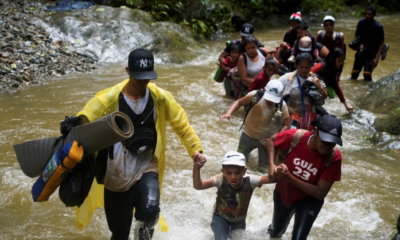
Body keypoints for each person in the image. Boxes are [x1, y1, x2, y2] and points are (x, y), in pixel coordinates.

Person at [75, 48, 206, 240]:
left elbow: (182, 126)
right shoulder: (109, 99)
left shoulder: (160, 98)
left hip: (147, 166)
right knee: (119, 232)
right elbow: (84, 119)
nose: (144, 81)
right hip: (116, 171)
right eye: (139, 76)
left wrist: (196, 149)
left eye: (148, 76)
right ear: (128, 71)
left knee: (150, 211)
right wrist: (75, 126)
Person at [265, 114, 343, 240]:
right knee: (275, 233)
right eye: (325, 141)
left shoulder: (334, 158)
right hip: (285, 192)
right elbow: (272, 141)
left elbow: (320, 192)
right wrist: (272, 166)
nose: (328, 146)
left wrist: (290, 177)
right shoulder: (295, 137)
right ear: (316, 131)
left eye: (332, 143)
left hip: (310, 200)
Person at [193, 151, 276, 240]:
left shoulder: (251, 180)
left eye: (237, 173)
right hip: (220, 219)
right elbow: (198, 186)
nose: (233, 177)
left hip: (239, 222)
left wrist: (278, 169)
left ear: (244, 171)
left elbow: (273, 179)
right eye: (228, 173)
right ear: (223, 172)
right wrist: (197, 168)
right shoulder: (220, 179)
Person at [220, 81, 290, 168]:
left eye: (274, 99)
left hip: (266, 140)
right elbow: (239, 102)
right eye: (269, 98)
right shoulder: (255, 96)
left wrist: (274, 138)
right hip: (248, 134)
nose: (270, 101)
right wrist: (229, 113)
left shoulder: (282, 105)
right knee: (239, 163)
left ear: (281, 96)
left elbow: (287, 125)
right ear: (264, 90)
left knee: (264, 168)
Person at [278, 53, 327, 130]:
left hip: (308, 117)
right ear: (296, 66)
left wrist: (319, 87)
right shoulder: (287, 78)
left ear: (311, 66)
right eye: (301, 67)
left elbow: (324, 97)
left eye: (307, 67)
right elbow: (276, 93)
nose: (304, 70)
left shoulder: (316, 79)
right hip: (289, 116)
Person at [312, 47, 355, 113]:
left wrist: (346, 105)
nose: (341, 63)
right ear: (332, 59)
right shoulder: (320, 67)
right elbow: (306, 75)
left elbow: (337, 88)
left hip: (319, 94)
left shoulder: (333, 71)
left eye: (342, 61)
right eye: (339, 61)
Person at [351, 6, 385, 81]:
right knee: (354, 74)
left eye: (369, 14)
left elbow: (381, 43)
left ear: (374, 15)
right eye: (366, 14)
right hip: (361, 49)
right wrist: (356, 43)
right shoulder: (361, 23)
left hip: (372, 51)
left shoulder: (378, 27)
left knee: (367, 74)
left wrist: (376, 58)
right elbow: (356, 35)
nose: (367, 15)